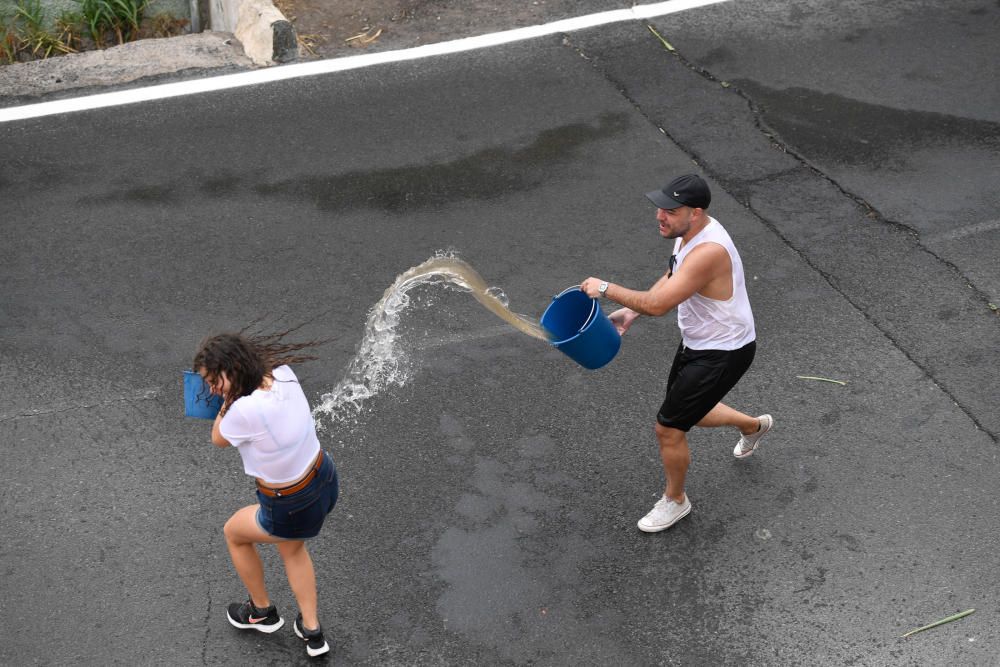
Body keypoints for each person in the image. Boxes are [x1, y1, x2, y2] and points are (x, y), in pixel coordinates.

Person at [581, 173, 773, 533]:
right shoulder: (688, 235)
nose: (660, 216)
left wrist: (606, 288)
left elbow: (659, 305)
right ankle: (754, 426)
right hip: (699, 343)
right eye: (660, 207)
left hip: (724, 351)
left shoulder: (709, 251)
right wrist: (631, 311)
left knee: (668, 428)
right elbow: (673, 276)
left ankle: (675, 501)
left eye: (670, 210)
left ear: (695, 212)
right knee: (691, 415)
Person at [193, 330, 337, 658]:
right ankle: (312, 632)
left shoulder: (243, 411)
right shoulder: (283, 373)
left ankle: (262, 611)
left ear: (233, 370)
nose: (211, 388)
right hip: (325, 479)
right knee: (292, 549)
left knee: (234, 533)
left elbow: (217, 437)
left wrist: (227, 401)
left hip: (291, 503)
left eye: (214, 380)